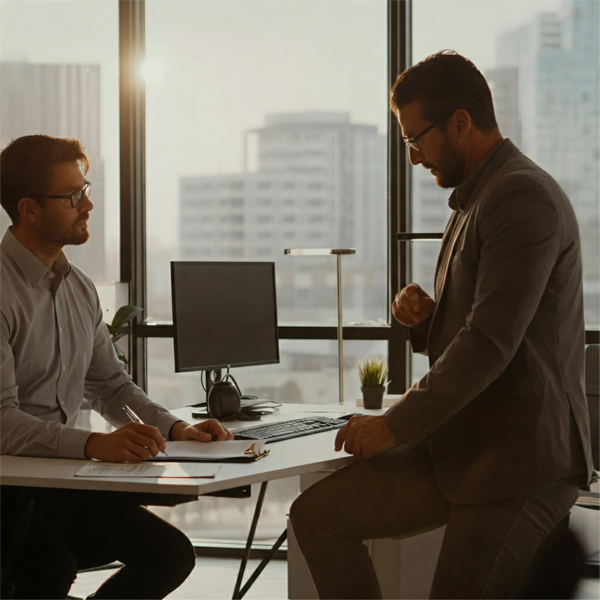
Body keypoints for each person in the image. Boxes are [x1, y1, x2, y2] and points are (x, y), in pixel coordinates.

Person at [289, 51, 593, 599]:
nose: (412, 157)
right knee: (319, 516)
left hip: (519, 463)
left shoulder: (521, 196)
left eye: (415, 139)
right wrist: (428, 322)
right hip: (467, 447)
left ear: (459, 122)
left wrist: (394, 424)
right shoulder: (473, 202)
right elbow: (487, 327)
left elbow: (490, 343)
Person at [0, 134, 234, 599]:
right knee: (50, 569)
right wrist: (93, 444)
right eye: (72, 196)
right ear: (28, 210)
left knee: (169, 555)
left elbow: (110, 385)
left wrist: (176, 429)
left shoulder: (80, 289)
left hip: (56, 482)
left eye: (84, 190)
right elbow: (1, 421)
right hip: (7, 490)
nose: (87, 205)